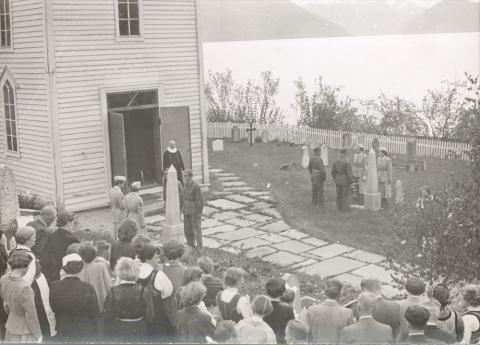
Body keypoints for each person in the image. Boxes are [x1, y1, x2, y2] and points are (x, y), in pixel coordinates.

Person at [12, 226, 56, 340]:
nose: (35, 240)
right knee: (40, 315)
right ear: (27, 239)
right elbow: (26, 279)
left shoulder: (15, 251)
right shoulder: (28, 255)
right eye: (34, 237)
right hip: (35, 290)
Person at [49, 253, 99, 342]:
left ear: (63, 268)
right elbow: (94, 312)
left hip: (62, 329)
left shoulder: (53, 286)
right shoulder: (87, 287)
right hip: (83, 330)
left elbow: (52, 308)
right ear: (81, 268)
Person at [104, 257, 153, 341]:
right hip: (139, 329)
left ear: (118, 271)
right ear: (136, 271)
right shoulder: (144, 291)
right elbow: (150, 316)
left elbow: (107, 315)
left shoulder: (112, 291)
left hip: (118, 330)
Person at [0, 251, 42, 343]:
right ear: (25, 267)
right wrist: (38, 335)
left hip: (10, 326)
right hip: (24, 330)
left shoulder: (3, 280)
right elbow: (31, 315)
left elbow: (6, 306)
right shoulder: (25, 288)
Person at [137, 244, 174, 339]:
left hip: (139, 313)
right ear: (149, 259)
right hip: (156, 314)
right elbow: (168, 292)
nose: (159, 260)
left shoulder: (134, 273)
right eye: (156, 257)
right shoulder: (158, 275)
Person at [306, 278, 355, 343]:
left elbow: (306, 336)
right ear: (340, 293)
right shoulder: (348, 313)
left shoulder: (311, 310)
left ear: (325, 291)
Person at [45, 210, 80, 282]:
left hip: (53, 273)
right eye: (73, 222)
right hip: (67, 274)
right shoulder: (72, 239)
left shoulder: (52, 236)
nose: (74, 225)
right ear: (68, 223)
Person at [162, 240, 187, 339]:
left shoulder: (160, 269)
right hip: (178, 315)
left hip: (162, 314)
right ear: (181, 253)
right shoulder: (185, 271)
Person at [78, 242, 112, 312]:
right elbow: (108, 284)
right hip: (100, 301)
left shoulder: (79, 268)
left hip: (84, 303)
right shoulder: (100, 266)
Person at [396, 276, 428, 342]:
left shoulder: (398, 305)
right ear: (422, 290)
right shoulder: (428, 305)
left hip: (401, 339)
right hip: (424, 339)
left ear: (406, 289)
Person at [263, 278, 295, 344]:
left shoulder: (262, 303)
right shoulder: (288, 308)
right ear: (282, 292)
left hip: (263, 339)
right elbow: (291, 327)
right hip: (280, 341)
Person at [28, 205, 56, 272]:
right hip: (37, 266)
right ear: (49, 219)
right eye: (52, 220)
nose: (52, 222)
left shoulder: (30, 223)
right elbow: (40, 253)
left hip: (27, 259)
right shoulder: (43, 231)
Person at [183, 169, 204, 249]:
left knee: (196, 230)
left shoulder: (195, 186)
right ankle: (191, 246)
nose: (184, 177)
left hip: (194, 212)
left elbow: (200, 201)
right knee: (187, 230)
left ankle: (200, 248)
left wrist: (199, 213)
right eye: (183, 176)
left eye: (185, 176)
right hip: (186, 211)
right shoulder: (185, 184)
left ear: (190, 176)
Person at [108, 176, 127, 241]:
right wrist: (126, 207)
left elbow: (110, 202)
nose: (123, 185)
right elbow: (122, 206)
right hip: (119, 211)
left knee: (114, 224)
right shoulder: (119, 193)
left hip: (114, 209)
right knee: (120, 224)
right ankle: (120, 238)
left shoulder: (111, 190)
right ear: (119, 183)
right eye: (123, 184)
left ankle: (114, 238)